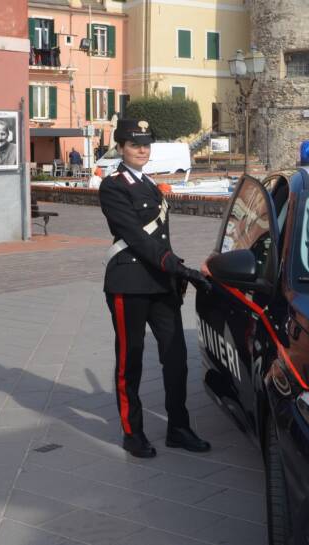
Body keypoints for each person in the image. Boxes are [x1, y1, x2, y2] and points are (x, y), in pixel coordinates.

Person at [99, 118, 211, 458]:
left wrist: (176, 274)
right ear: (120, 148)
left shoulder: (148, 184)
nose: (142, 149)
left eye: (146, 143)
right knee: (129, 361)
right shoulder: (113, 186)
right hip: (129, 283)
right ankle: (133, 433)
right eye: (134, 144)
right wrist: (176, 266)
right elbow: (136, 238)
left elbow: (160, 238)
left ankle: (178, 427)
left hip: (161, 284)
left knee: (176, 357)